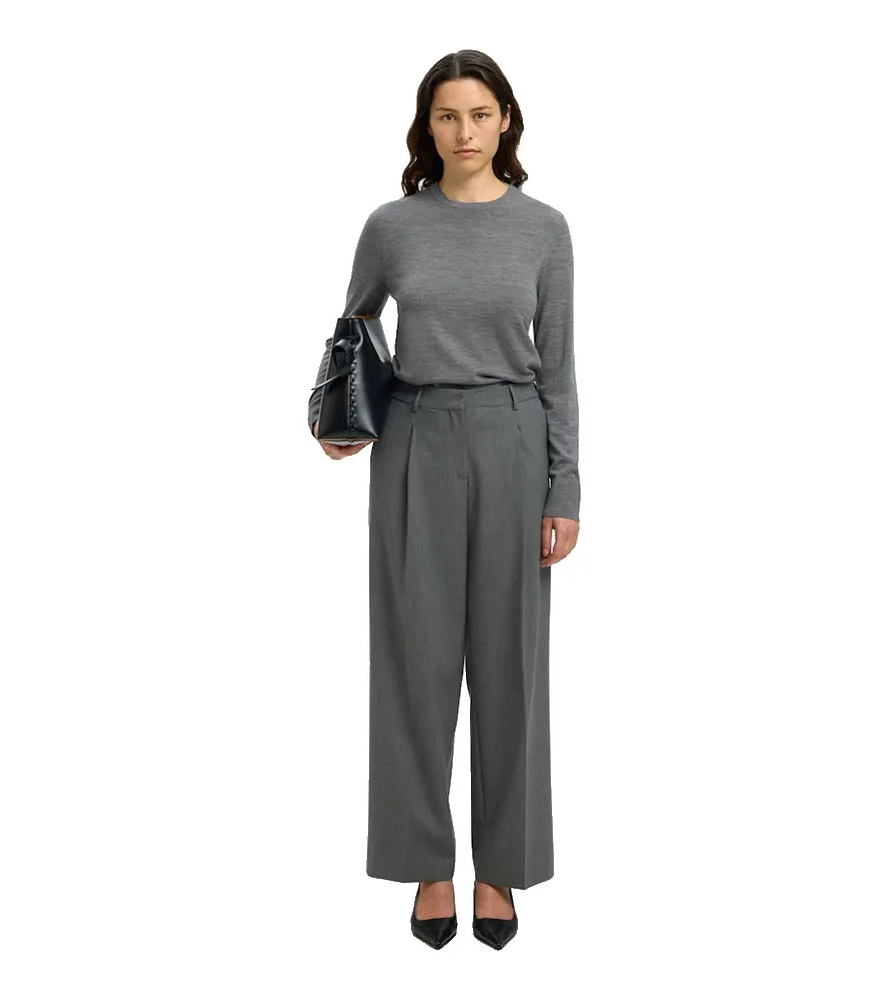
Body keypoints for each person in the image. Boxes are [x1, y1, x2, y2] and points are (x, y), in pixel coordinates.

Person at [308, 49, 580, 950]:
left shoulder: (544, 230)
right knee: (414, 662)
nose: (465, 132)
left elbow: (560, 370)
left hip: (513, 438)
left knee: (511, 663)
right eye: (447, 116)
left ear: (506, 121)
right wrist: (339, 416)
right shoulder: (393, 226)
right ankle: (428, 864)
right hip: (415, 442)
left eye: (480, 114)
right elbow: (353, 327)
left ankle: (501, 867)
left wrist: (565, 486)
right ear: (427, 125)